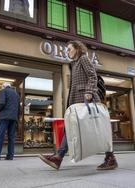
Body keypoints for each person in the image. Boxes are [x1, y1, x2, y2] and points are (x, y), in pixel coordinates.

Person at [39, 40, 118, 170]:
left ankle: (110, 158)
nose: (67, 51)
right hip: (77, 101)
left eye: (69, 49)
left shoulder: (83, 59)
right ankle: (58, 157)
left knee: (98, 128)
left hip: (87, 100)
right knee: (71, 127)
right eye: (67, 50)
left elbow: (93, 76)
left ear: (77, 49)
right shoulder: (74, 64)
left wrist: (89, 92)